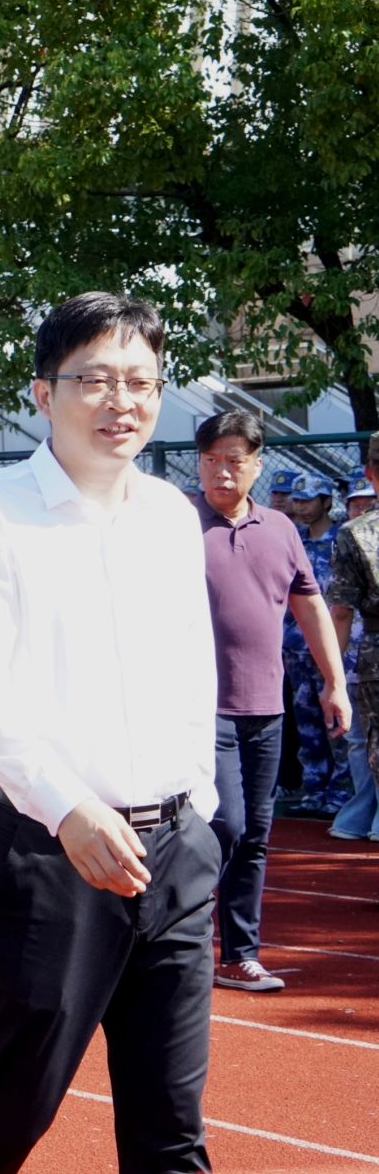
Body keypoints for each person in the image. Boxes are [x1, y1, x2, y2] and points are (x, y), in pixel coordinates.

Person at [0, 293, 220, 1174]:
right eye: (96, 380)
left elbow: (190, 668)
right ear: (44, 393)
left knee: (172, 1129)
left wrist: (197, 807)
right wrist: (69, 809)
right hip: (49, 851)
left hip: (174, 851)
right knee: (12, 1107)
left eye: (142, 382)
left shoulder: (169, 513)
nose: (122, 401)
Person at [192, 415, 347, 993]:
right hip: (197, 707)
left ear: (257, 466)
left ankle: (239, 955)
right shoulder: (176, 524)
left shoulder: (281, 528)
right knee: (223, 823)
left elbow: (310, 606)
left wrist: (335, 682)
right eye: (210, 460)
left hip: (265, 704)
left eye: (233, 460)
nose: (221, 472)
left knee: (255, 830)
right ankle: (180, 941)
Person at [285, 472, 354, 813]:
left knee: (337, 723)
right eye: (297, 500)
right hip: (296, 648)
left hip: (333, 648)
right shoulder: (293, 539)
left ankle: (341, 794)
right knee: (307, 723)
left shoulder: (342, 539)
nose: (301, 507)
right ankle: (314, 791)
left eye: (308, 500)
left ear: (326, 501)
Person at [329, 437, 379, 844]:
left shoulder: (357, 532)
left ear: (369, 473)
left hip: (374, 655)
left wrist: (331, 676)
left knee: (368, 745)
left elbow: (342, 612)